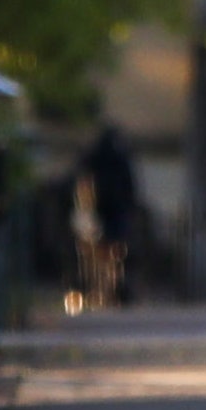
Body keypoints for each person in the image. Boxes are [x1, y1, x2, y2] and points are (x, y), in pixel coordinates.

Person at [76, 125, 139, 306]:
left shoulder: (95, 158)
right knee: (115, 255)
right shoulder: (121, 159)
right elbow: (130, 188)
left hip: (102, 213)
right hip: (113, 214)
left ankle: (104, 290)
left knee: (100, 255)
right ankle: (112, 290)